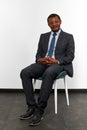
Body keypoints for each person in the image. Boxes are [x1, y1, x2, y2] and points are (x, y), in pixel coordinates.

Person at [20, 13, 75, 126]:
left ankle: (39, 110)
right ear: (48, 24)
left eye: (56, 21)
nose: (54, 24)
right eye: (51, 22)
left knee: (49, 73)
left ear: (60, 22)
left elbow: (70, 56)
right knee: (25, 72)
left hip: (59, 64)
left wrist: (56, 61)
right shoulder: (43, 36)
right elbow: (38, 54)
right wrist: (41, 60)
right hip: (44, 63)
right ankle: (31, 107)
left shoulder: (68, 37)